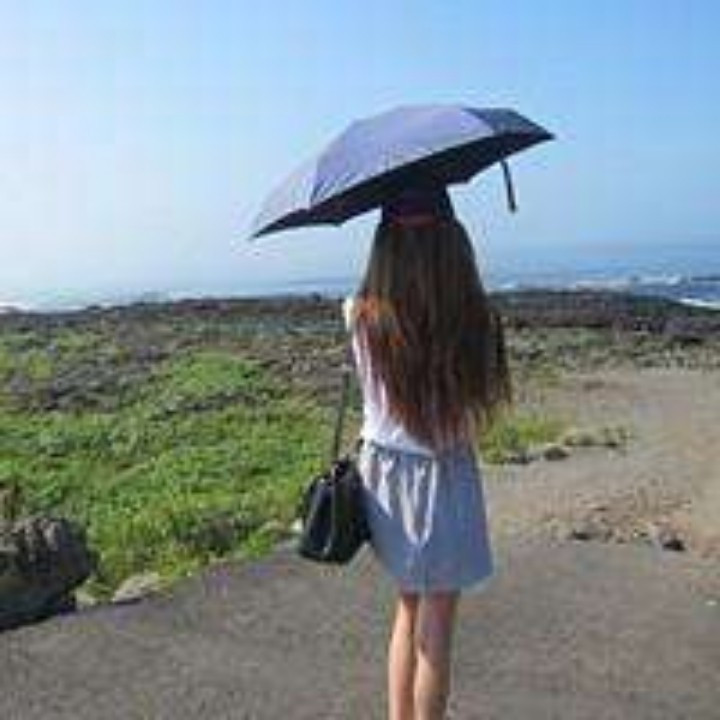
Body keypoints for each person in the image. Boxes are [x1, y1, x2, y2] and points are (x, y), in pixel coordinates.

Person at [341, 182, 513, 720]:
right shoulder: (475, 319)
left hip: (383, 476)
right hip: (443, 475)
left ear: (383, 247)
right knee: (437, 626)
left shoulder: (358, 314)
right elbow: (474, 412)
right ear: (455, 244)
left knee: (407, 607)